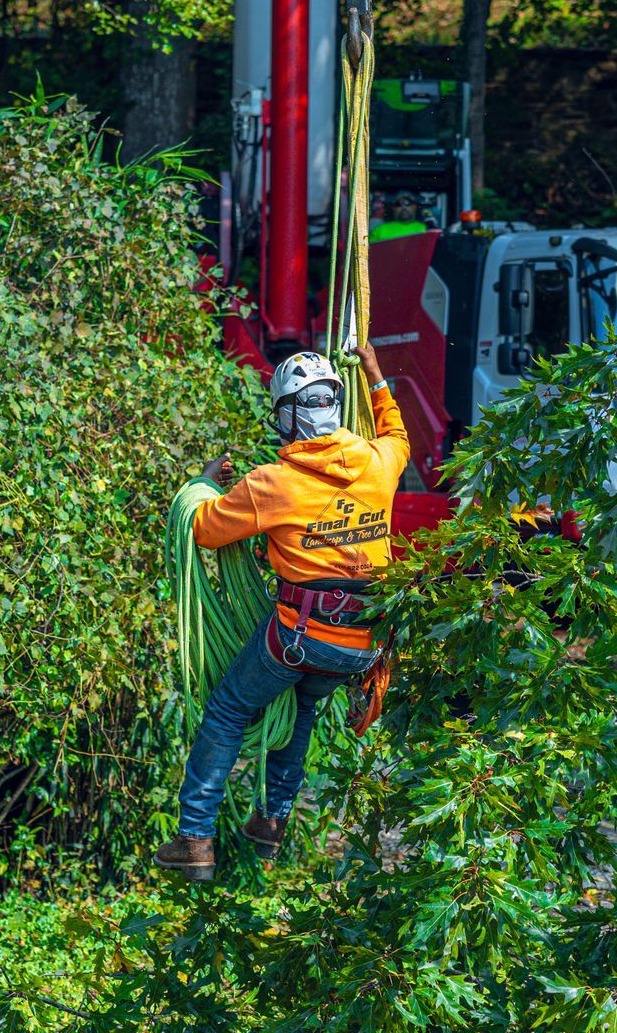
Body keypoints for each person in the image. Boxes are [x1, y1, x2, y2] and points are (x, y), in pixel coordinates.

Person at [154, 343, 409, 881]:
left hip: (299, 636)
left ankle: (195, 838)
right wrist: (376, 375)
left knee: (228, 711)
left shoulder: (273, 483)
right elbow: (397, 437)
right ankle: (271, 824)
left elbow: (202, 529)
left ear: (290, 416)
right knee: (303, 709)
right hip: (361, 645)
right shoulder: (380, 465)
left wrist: (203, 481)